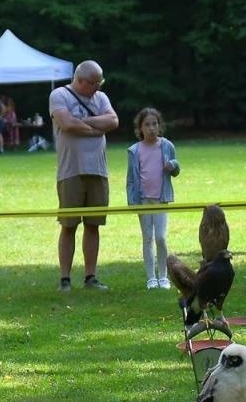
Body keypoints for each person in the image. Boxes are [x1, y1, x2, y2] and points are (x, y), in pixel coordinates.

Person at [51, 60, 119, 291]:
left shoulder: (101, 98)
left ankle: (91, 277)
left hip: (98, 170)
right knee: (69, 225)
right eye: (94, 83)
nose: (98, 88)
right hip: (71, 171)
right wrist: (96, 127)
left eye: (100, 83)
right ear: (80, 80)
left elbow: (113, 121)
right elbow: (66, 124)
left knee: (93, 225)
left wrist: (83, 121)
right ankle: (65, 279)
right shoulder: (59, 95)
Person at [126, 107, 180, 289]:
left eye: (154, 124)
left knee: (161, 237)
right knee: (147, 238)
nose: (151, 128)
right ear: (140, 128)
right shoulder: (134, 150)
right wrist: (132, 201)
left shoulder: (167, 146)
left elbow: (176, 170)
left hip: (161, 198)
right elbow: (131, 179)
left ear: (159, 126)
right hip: (143, 200)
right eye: (147, 125)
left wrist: (173, 165)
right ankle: (151, 277)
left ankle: (163, 276)